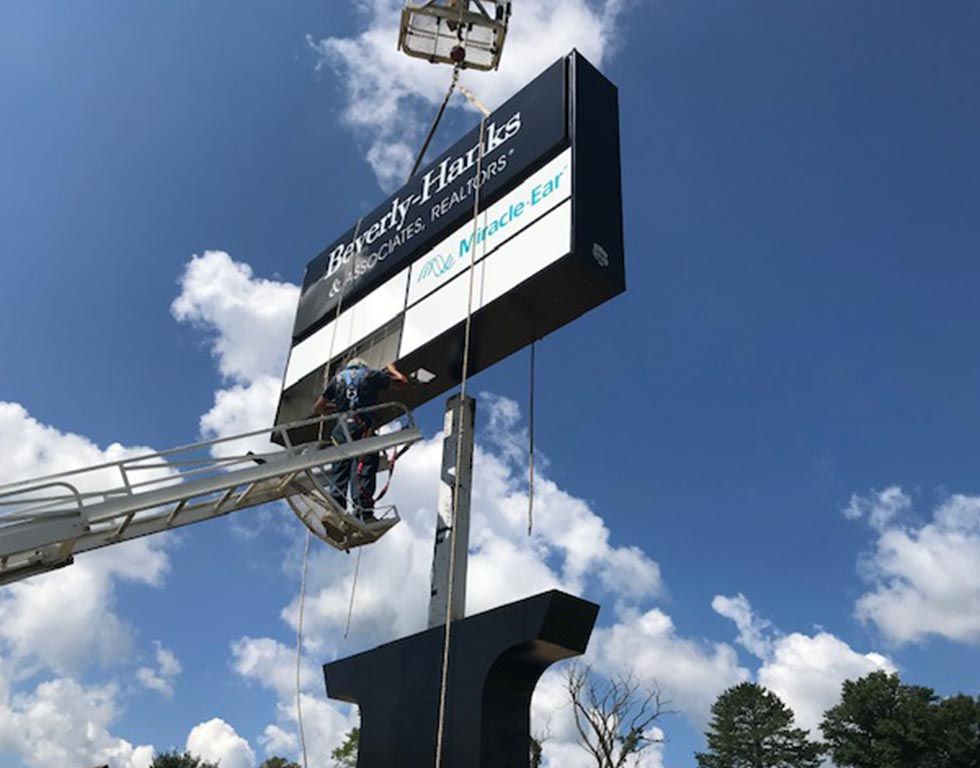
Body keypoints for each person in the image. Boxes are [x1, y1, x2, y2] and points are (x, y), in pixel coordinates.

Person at [313, 357, 409, 519]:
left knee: (340, 470)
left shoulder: (337, 379)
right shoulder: (370, 375)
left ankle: (335, 512)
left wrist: (336, 408)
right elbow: (402, 382)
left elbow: (318, 408)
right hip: (362, 426)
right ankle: (363, 513)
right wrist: (391, 368)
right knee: (364, 467)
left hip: (342, 430)